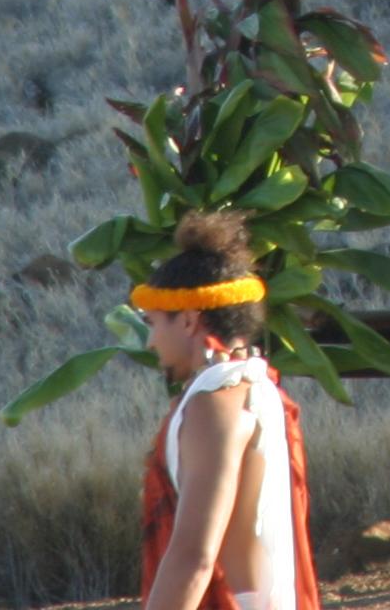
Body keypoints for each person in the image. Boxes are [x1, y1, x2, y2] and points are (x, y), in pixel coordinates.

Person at [132, 212, 320, 610]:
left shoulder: (216, 403)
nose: (150, 342)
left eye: (152, 324)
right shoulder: (259, 386)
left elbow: (193, 558)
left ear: (188, 320)